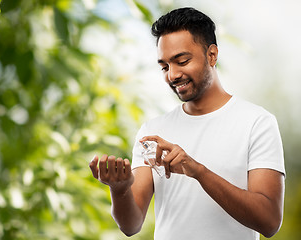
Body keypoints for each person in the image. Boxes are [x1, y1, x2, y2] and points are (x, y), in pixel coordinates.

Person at [89, 7, 285, 240]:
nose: (172, 75)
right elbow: (131, 225)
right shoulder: (152, 131)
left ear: (212, 55)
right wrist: (119, 190)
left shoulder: (257, 123)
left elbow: (269, 221)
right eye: (164, 66)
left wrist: (197, 171)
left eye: (181, 61)